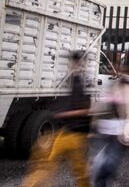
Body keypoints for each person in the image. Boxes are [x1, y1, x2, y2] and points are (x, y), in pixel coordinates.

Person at [22, 51, 92, 187]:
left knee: (76, 169)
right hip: (69, 132)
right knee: (53, 164)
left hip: (76, 135)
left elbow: (86, 110)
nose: (71, 65)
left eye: (73, 62)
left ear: (78, 63)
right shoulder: (76, 80)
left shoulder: (81, 83)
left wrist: (64, 114)